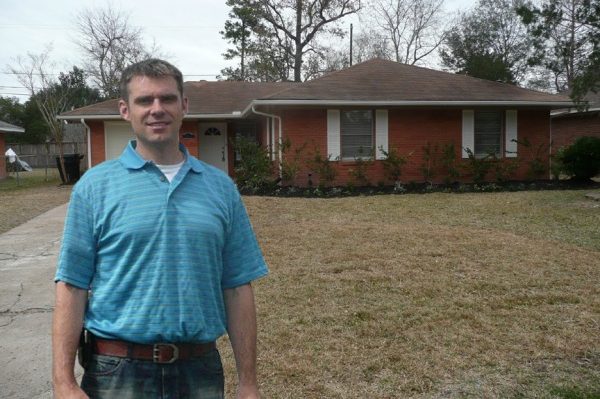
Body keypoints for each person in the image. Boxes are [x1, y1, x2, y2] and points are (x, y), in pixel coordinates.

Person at [52, 58, 268, 399]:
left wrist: (249, 383)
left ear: (183, 106)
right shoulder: (94, 187)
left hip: (199, 369)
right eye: (144, 100)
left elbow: (238, 286)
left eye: (167, 99)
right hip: (116, 372)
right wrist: (63, 382)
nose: (157, 109)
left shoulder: (220, 187)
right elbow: (72, 286)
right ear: (125, 110)